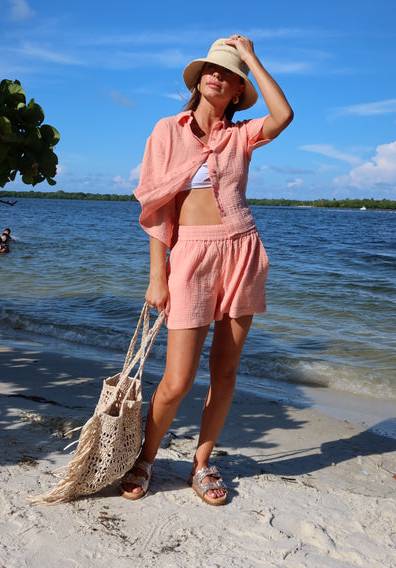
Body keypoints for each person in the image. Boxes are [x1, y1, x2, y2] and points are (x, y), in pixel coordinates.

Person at [123, 35, 293, 505]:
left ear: (238, 90)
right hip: (191, 256)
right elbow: (158, 210)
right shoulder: (166, 131)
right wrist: (157, 277)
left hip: (243, 250)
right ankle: (145, 457)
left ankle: (201, 463)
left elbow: (283, 116)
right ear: (199, 80)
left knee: (226, 369)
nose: (216, 75)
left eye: (228, 73)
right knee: (177, 379)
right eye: (210, 69)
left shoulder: (240, 136)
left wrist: (253, 59)